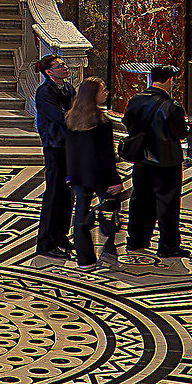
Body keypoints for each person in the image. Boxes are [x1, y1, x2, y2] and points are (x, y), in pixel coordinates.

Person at [121, 65, 188, 266]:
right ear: (169, 80)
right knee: (167, 204)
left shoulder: (135, 99)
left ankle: (136, 240)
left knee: (140, 199)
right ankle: (168, 245)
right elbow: (180, 133)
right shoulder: (172, 105)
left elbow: (127, 123)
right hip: (166, 161)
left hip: (141, 158)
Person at [62, 79, 121, 266]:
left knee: (80, 214)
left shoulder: (70, 118)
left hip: (79, 175)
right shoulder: (101, 121)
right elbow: (107, 155)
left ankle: (85, 257)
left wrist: (70, 174)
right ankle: (110, 246)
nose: (106, 92)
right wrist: (115, 180)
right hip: (100, 174)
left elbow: (69, 151)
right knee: (110, 209)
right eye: (103, 90)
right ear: (93, 94)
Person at [29, 55, 75, 259]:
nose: (65, 67)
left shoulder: (68, 88)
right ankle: (46, 242)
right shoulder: (44, 92)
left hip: (68, 146)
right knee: (54, 194)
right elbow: (63, 118)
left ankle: (61, 235)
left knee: (67, 195)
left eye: (63, 64)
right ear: (49, 72)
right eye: (60, 65)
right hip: (54, 146)